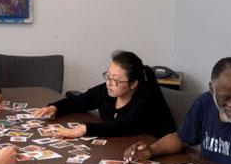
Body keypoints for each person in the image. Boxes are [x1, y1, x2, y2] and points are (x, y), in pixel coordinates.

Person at [32, 50, 176, 138]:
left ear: (133, 84)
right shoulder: (107, 90)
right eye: (108, 76)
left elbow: (124, 126)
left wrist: (84, 129)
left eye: (115, 80)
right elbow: (81, 100)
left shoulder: (147, 99)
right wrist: (55, 108)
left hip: (155, 153)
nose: (109, 83)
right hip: (119, 146)